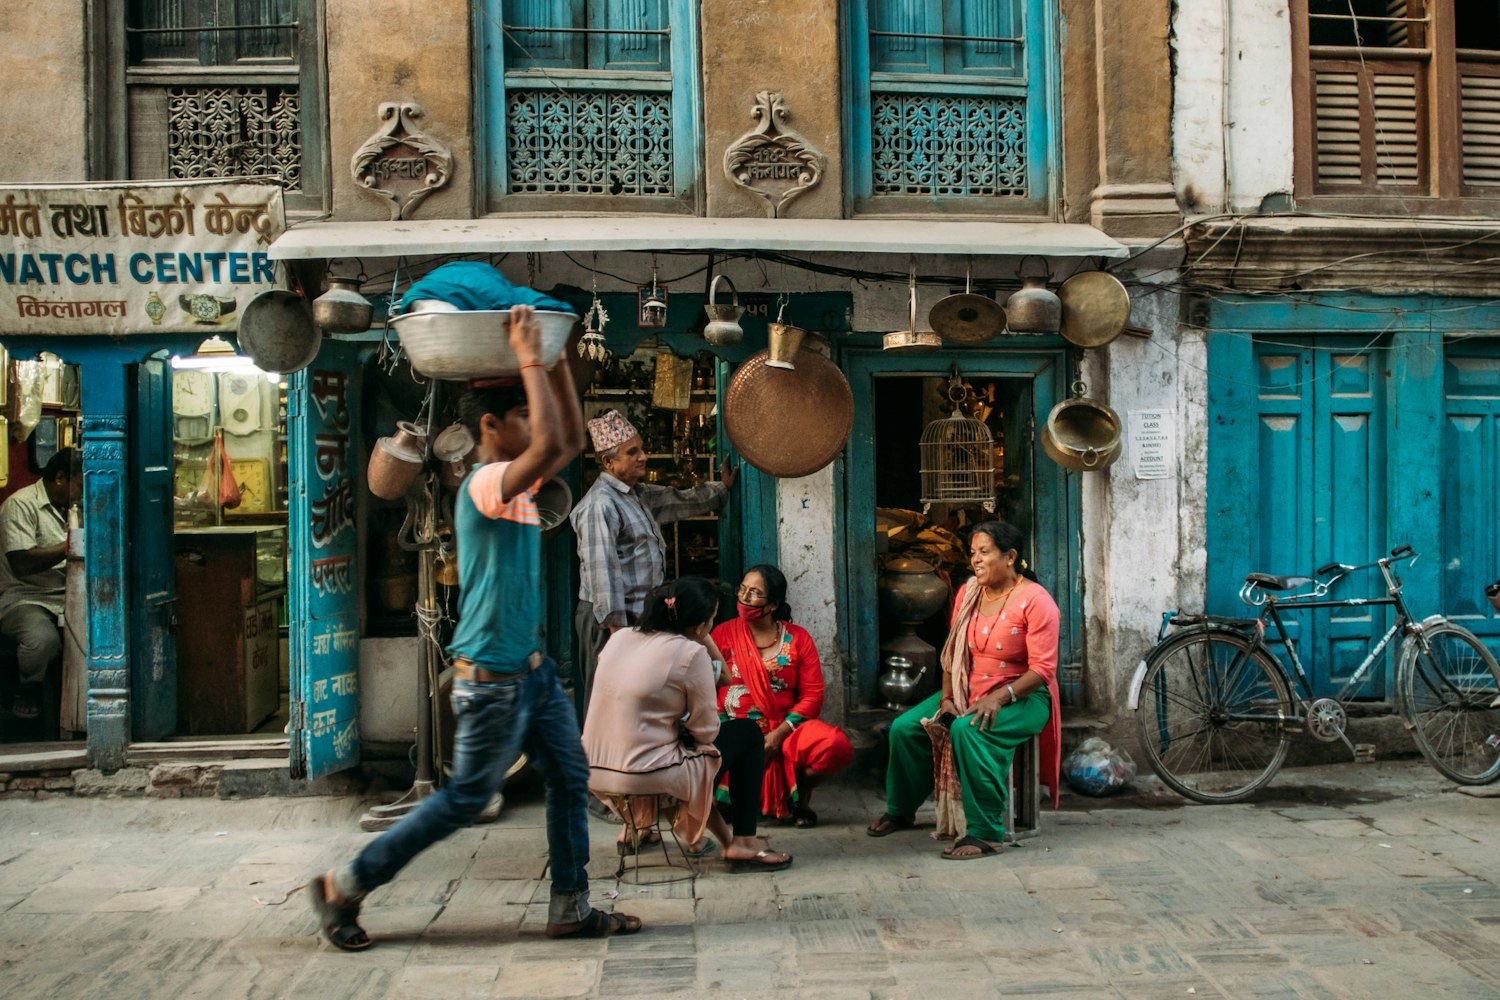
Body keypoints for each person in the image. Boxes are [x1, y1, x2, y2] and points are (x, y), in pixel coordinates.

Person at [308, 305, 644, 950]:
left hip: (531, 673)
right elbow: (553, 446)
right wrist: (532, 357)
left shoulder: (517, 488)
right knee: (464, 799)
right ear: (491, 427)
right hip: (492, 681)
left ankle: (571, 905)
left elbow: (567, 445)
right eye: (521, 415)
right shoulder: (486, 482)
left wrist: (553, 365)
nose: (533, 426)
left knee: (569, 779)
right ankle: (344, 885)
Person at [867, 521, 1062, 860]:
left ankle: (986, 832)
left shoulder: (1036, 600)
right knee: (905, 728)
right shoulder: (969, 592)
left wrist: (999, 697)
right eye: (973, 553)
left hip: (1023, 696)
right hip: (968, 688)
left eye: (984, 552)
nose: (976, 560)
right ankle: (901, 810)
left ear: (1010, 556)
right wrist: (946, 699)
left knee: (968, 731)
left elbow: (1043, 671)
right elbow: (953, 652)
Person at [581, 576, 788, 871]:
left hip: (593, 770)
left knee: (665, 745)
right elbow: (706, 732)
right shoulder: (691, 653)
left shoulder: (620, 638)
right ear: (701, 624)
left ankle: (642, 828)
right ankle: (743, 841)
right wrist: (700, 636)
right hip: (644, 774)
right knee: (748, 733)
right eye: (711, 620)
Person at [569, 408, 737, 719]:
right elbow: (603, 576)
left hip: (634, 620)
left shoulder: (636, 495)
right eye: (632, 452)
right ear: (608, 462)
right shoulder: (600, 505)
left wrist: (722, 488)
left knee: (634, 703)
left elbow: (680, 499)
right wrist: (620, 638)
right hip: (610, 623)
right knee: (609, 704)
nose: (643, 457)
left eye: (642, 449)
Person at [710, 565, 853, 828]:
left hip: (784, 730)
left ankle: (797, 798)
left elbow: (813, 695)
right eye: (742, 589)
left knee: (835, 745)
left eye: (754, 593)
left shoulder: (798, 639)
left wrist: (779, 735)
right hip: (732, 728)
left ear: (773, 604)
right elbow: (707, 688)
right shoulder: (723, 634)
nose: (744, 598)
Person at [0, 448, 78, 720]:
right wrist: (69, 546)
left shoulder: (72, 508)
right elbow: (21, 563)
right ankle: (27, 688)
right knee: (42, 640)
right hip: (26, 597)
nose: (82, 493)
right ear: (60, 478)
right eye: (80, 485)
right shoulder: (20, 505)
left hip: (67, 595)